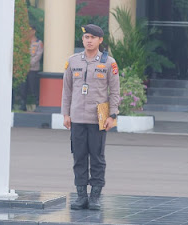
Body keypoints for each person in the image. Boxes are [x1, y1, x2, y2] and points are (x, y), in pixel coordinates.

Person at [61, 24, 120, 210]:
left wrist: (113, 115)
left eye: (93, 37)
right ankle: (80, 196)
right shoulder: (73, 61)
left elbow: (115, 91)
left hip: (98, 119)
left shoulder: (109, 62)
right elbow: (67, 90)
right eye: (86, 37)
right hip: (77, 117)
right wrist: (65, 113)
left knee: (97, 158)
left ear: (100, 40)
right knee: (78, 157)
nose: (89, 40)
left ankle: (95, 197)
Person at [19, 25, 44, 111]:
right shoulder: (24, 42)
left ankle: (37, 104)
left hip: (33, 69)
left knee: (34, 87)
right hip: (23, 69)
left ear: (34, 31)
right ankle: (23, 104)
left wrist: (29, 63)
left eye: (30, 30)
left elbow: (38, 55)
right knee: (23, 87)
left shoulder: (38, 42)